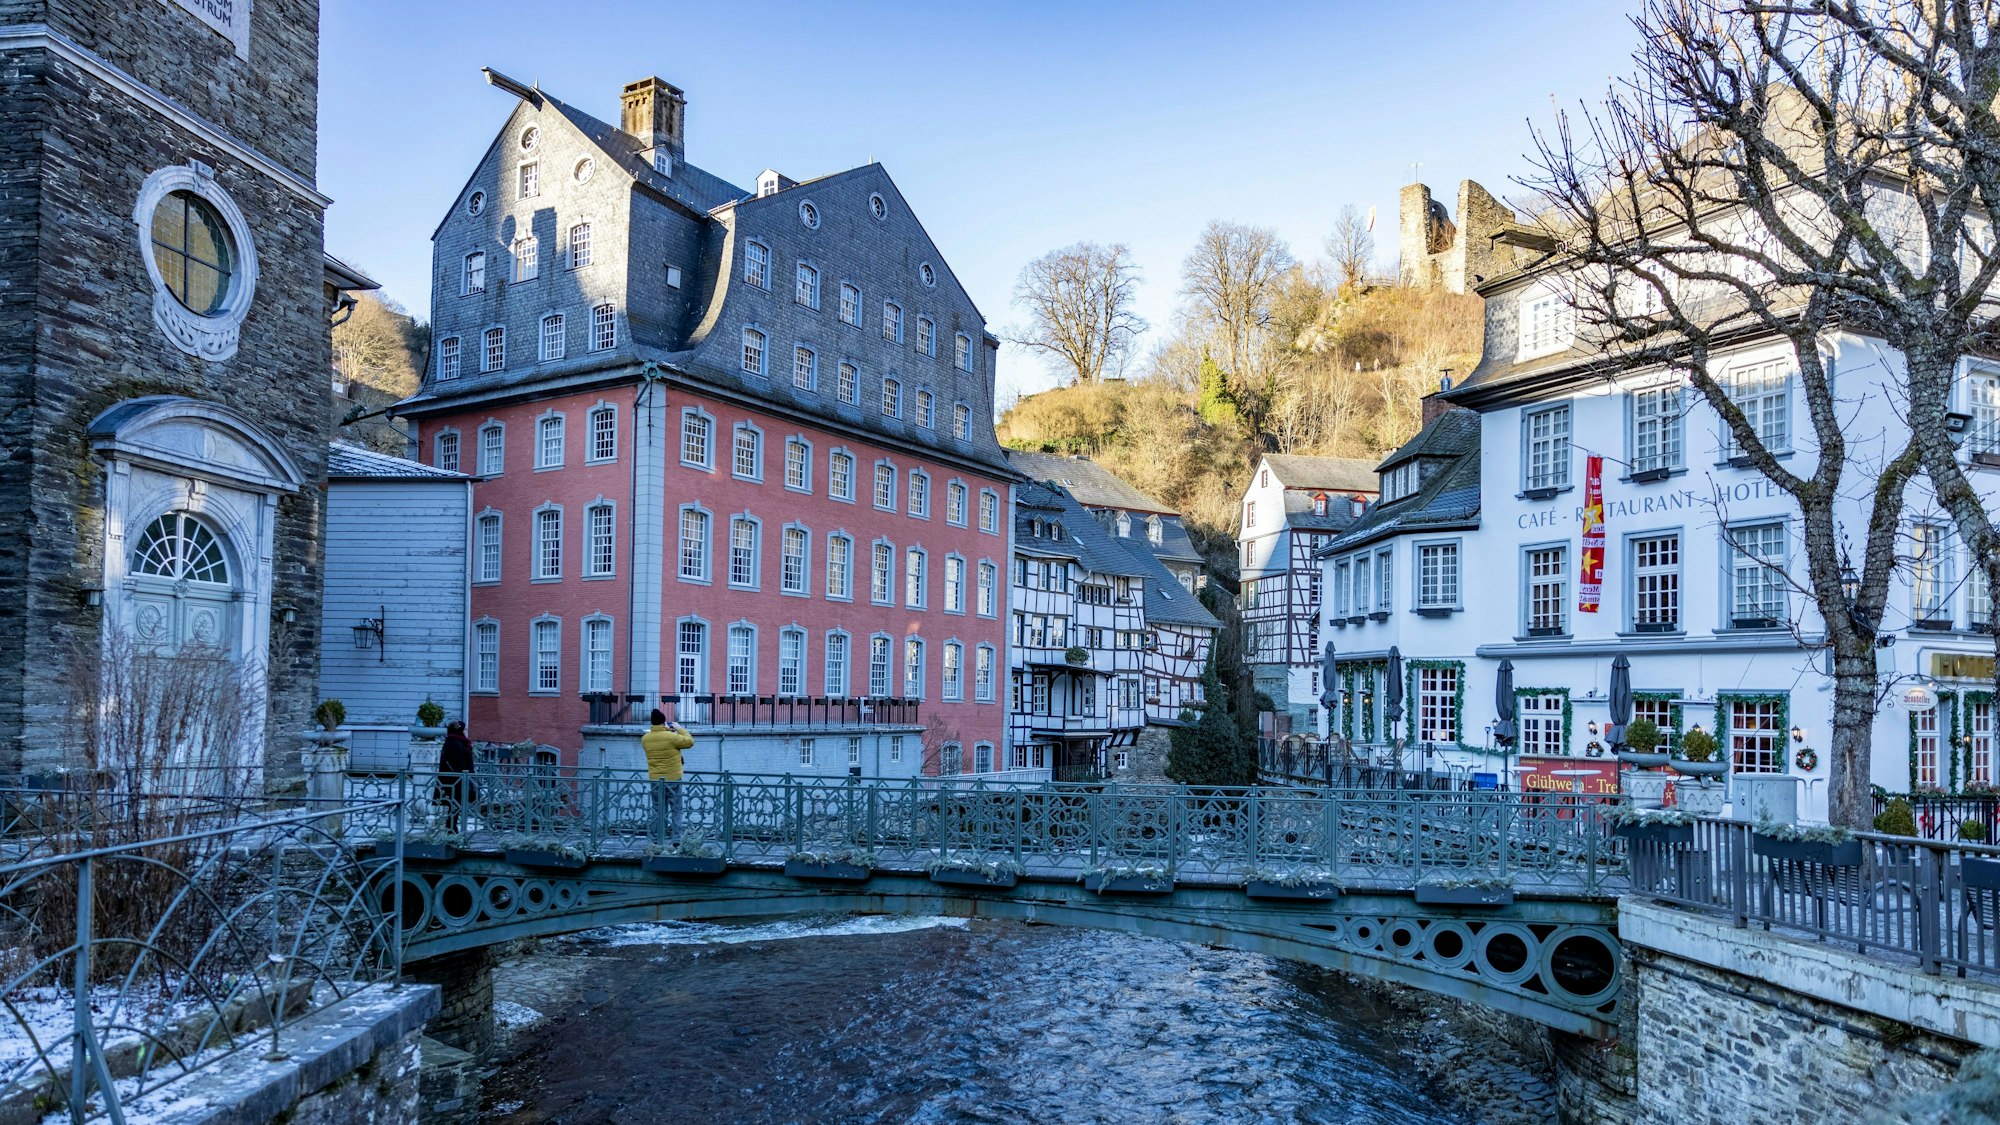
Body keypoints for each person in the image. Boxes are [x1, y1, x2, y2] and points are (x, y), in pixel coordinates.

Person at [641, 709, 694, 839]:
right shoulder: (672, 737)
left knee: (658, 809)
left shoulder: (645, 739)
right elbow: (689, 742)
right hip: (673, 778)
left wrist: (666, 731)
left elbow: (661, 743)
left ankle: (656, 837)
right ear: (664, 722)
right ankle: (676, 838)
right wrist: (680, 729)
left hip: (655, 779)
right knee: (676, 809)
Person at [436, 720, 477, 833]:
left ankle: (452, 827)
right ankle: (451, 828)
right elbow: (459, 762)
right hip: (455, 779)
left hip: (455, 778)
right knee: (454, 804)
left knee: (454, 804)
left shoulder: (454, 741)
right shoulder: (455, 743)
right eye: (463, 729)